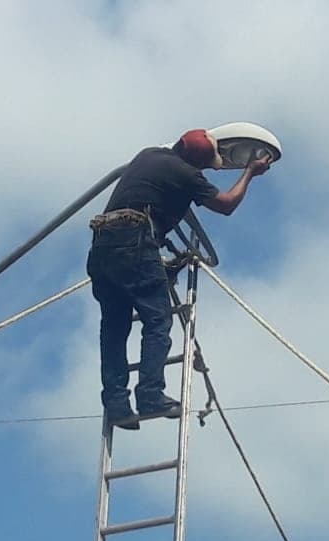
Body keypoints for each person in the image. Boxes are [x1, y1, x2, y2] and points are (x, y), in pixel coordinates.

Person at [86, 129, 272, 429]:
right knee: (157, 321)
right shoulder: (187, 174)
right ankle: (150, 395)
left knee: (114, 328)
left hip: (102, 247)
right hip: (135, 241)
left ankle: (116, 404)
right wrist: (249, 172)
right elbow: (226, 204)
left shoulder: (149, 154)